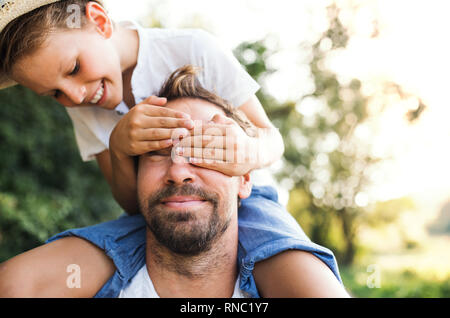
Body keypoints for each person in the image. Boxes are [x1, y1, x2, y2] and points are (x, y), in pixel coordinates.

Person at [0, 1, 345, 297]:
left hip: (243, 200)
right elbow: (132, 204)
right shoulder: (83, 108)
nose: (74, 96)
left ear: (100, 22)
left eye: (73, 69)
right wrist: (119, 149)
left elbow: (271, 137)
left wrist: (247, 153)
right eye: (54, 94)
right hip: (152, 211)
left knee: (292, 269)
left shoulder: (192, 48)